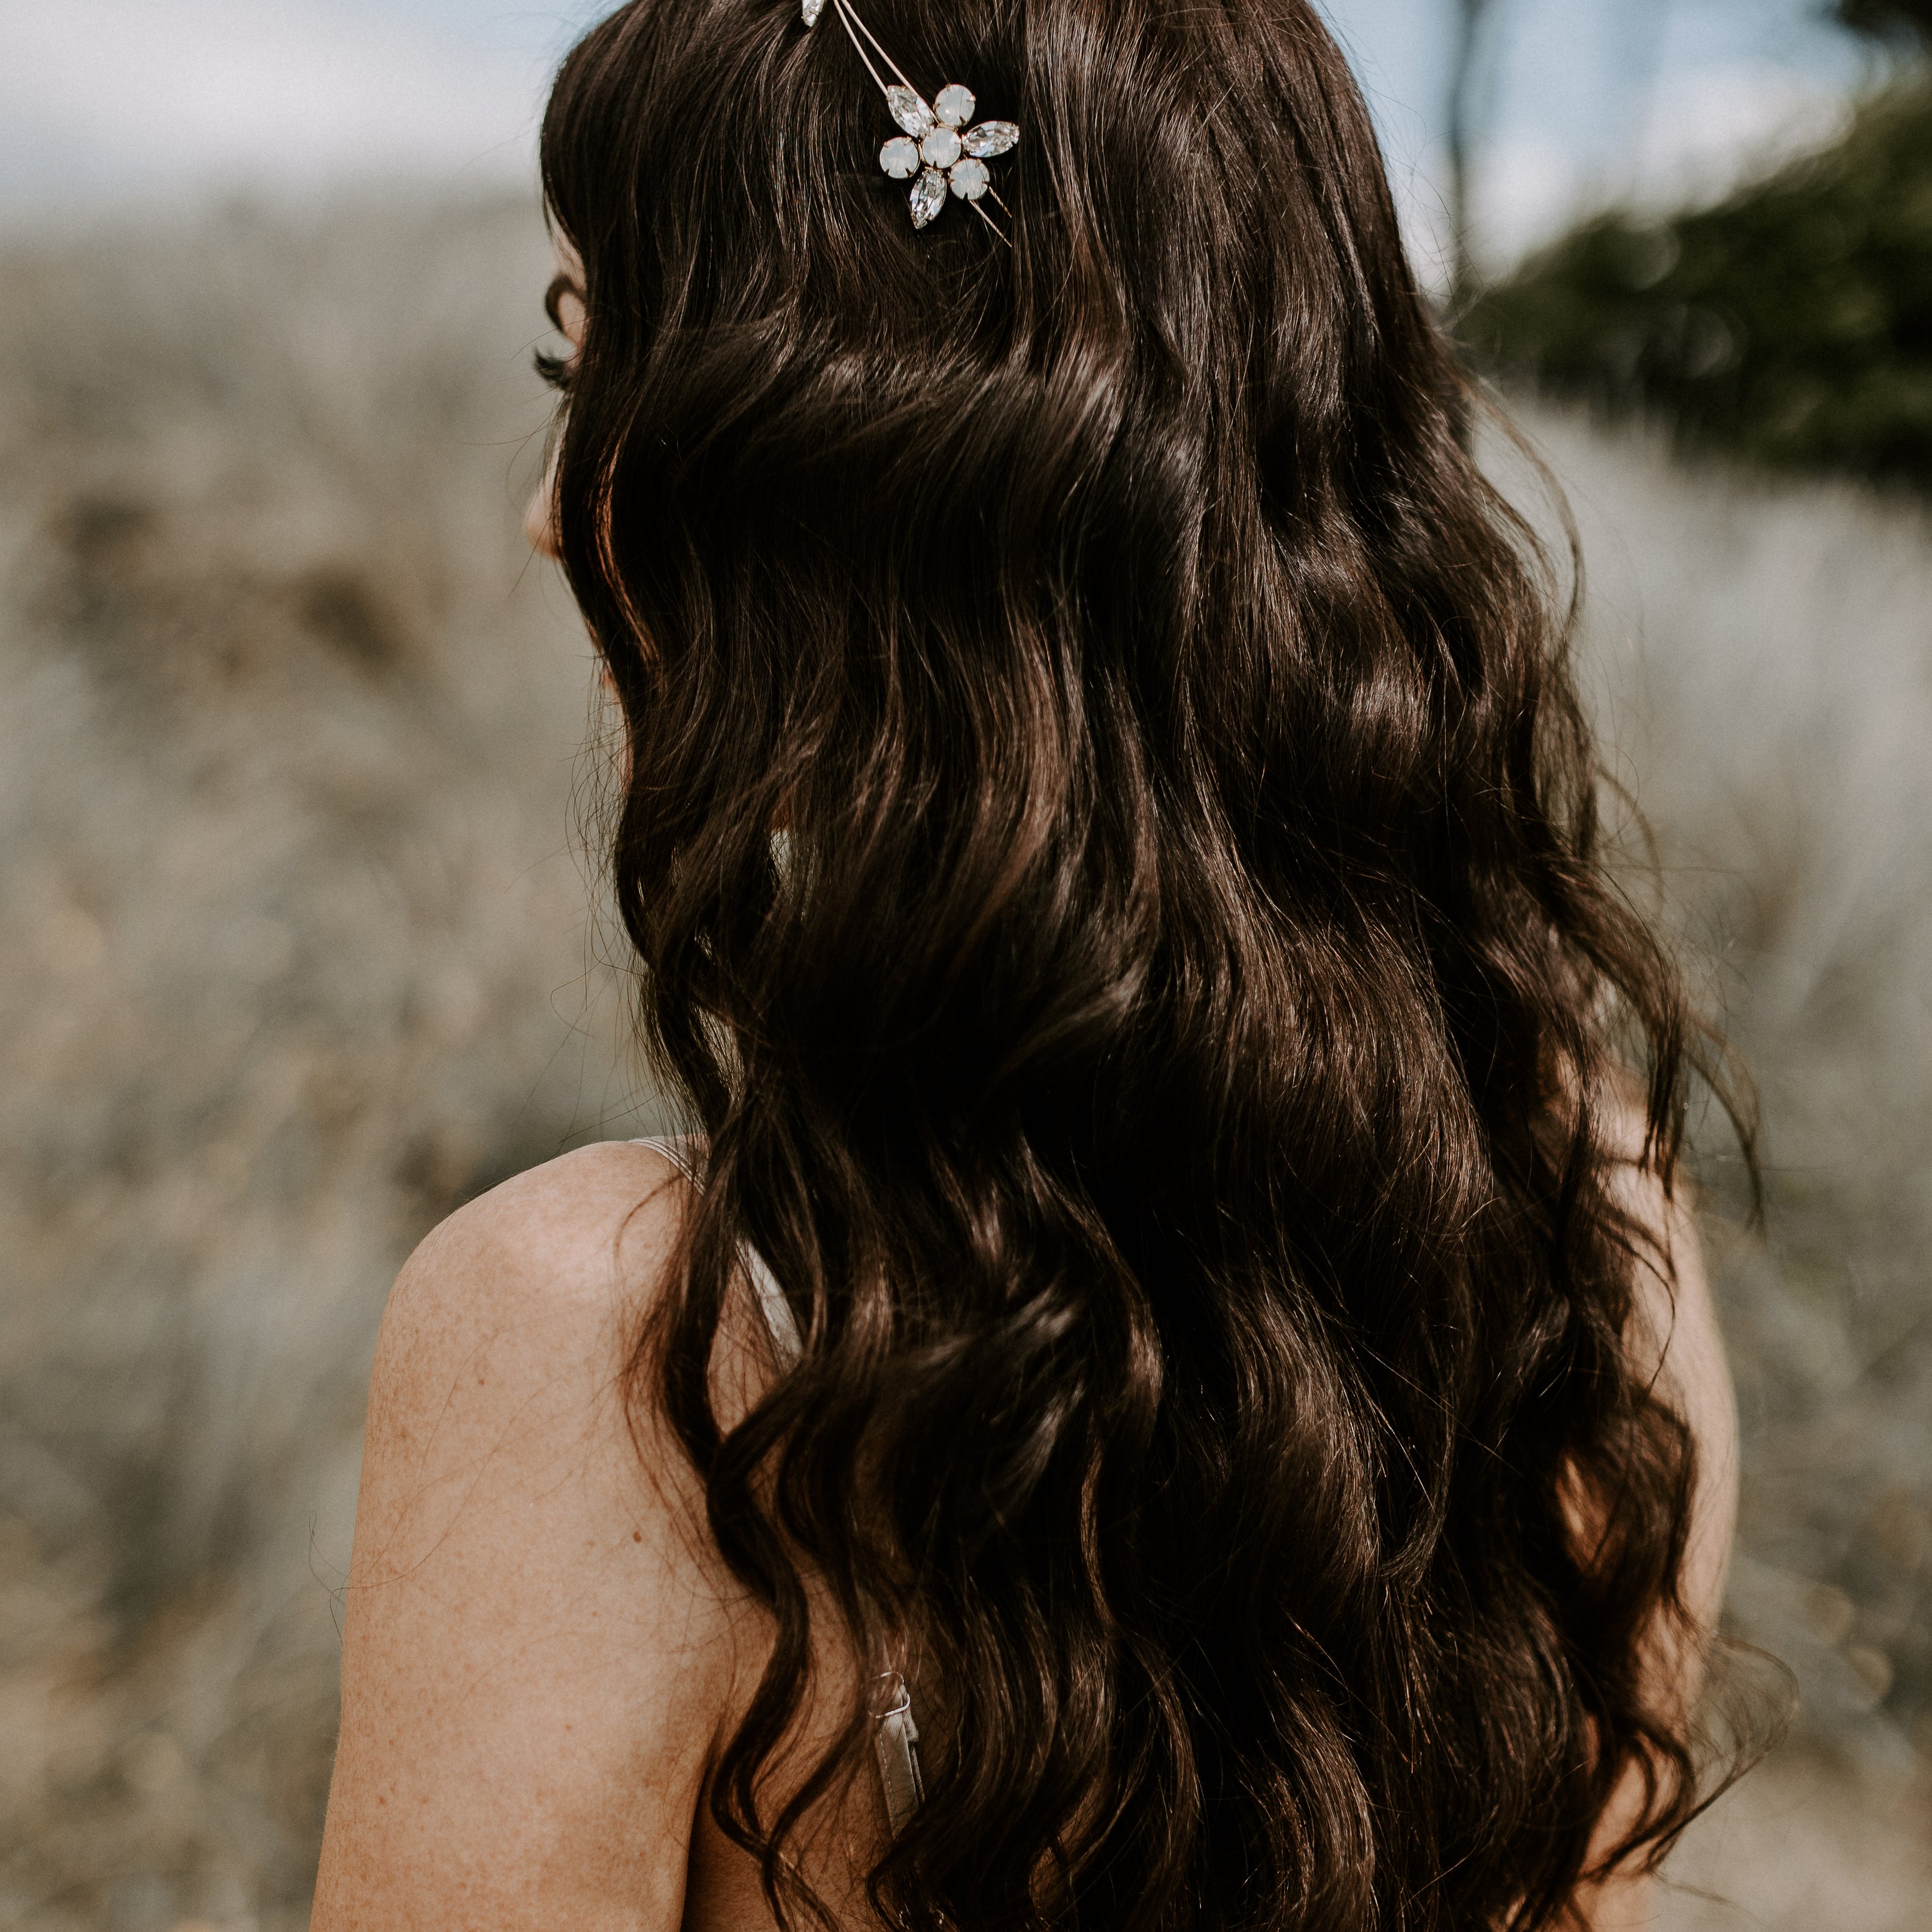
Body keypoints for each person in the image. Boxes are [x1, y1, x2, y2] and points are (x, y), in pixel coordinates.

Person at [311, 1, 1746, 1927]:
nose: (550, 507)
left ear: (868, 471)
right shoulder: (1590, 1219)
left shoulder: (614, 1351)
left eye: (608, 368)